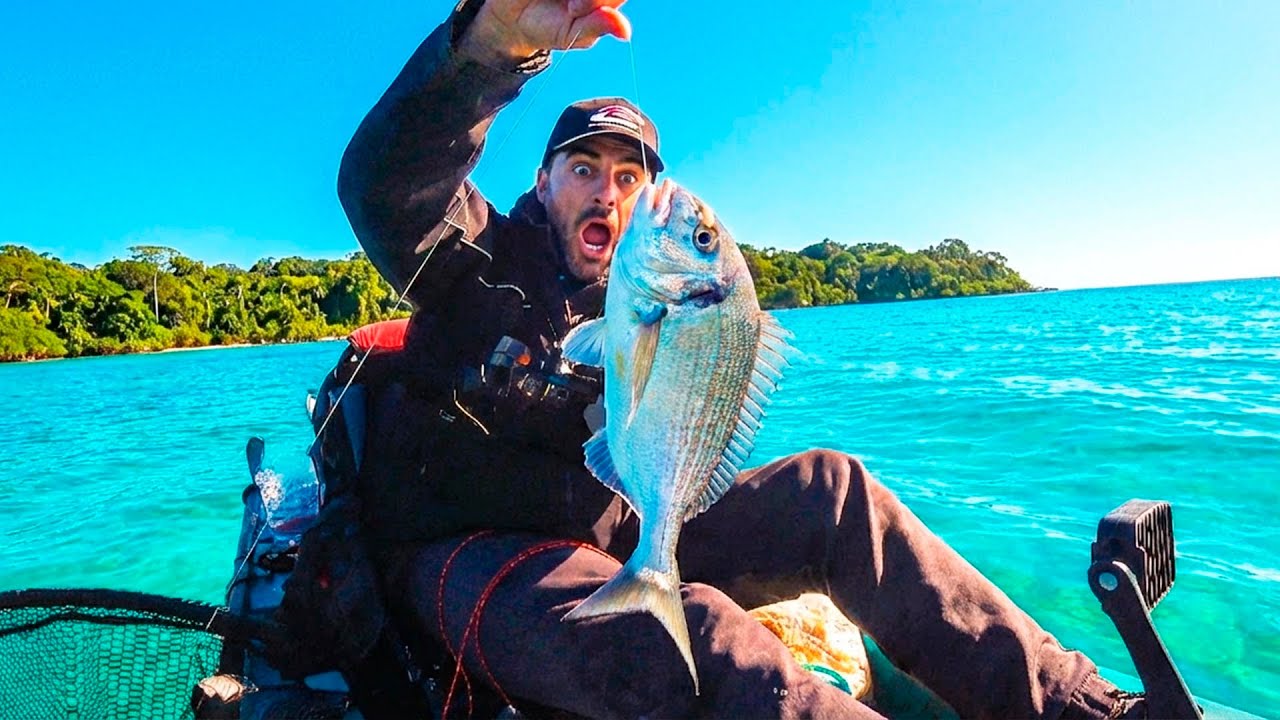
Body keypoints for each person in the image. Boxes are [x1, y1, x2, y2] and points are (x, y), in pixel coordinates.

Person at [314, 0, 1145, 717]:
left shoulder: (660, 301)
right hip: (462, 553)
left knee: (835, 489)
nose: (608, 192)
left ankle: (1080, 709)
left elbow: (706, 394)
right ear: (542, 181)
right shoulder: (472, 260)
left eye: (629, 178)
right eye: (583, 168)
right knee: (679, 637)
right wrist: (492, 43)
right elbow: (385, 183)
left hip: (629, 523)